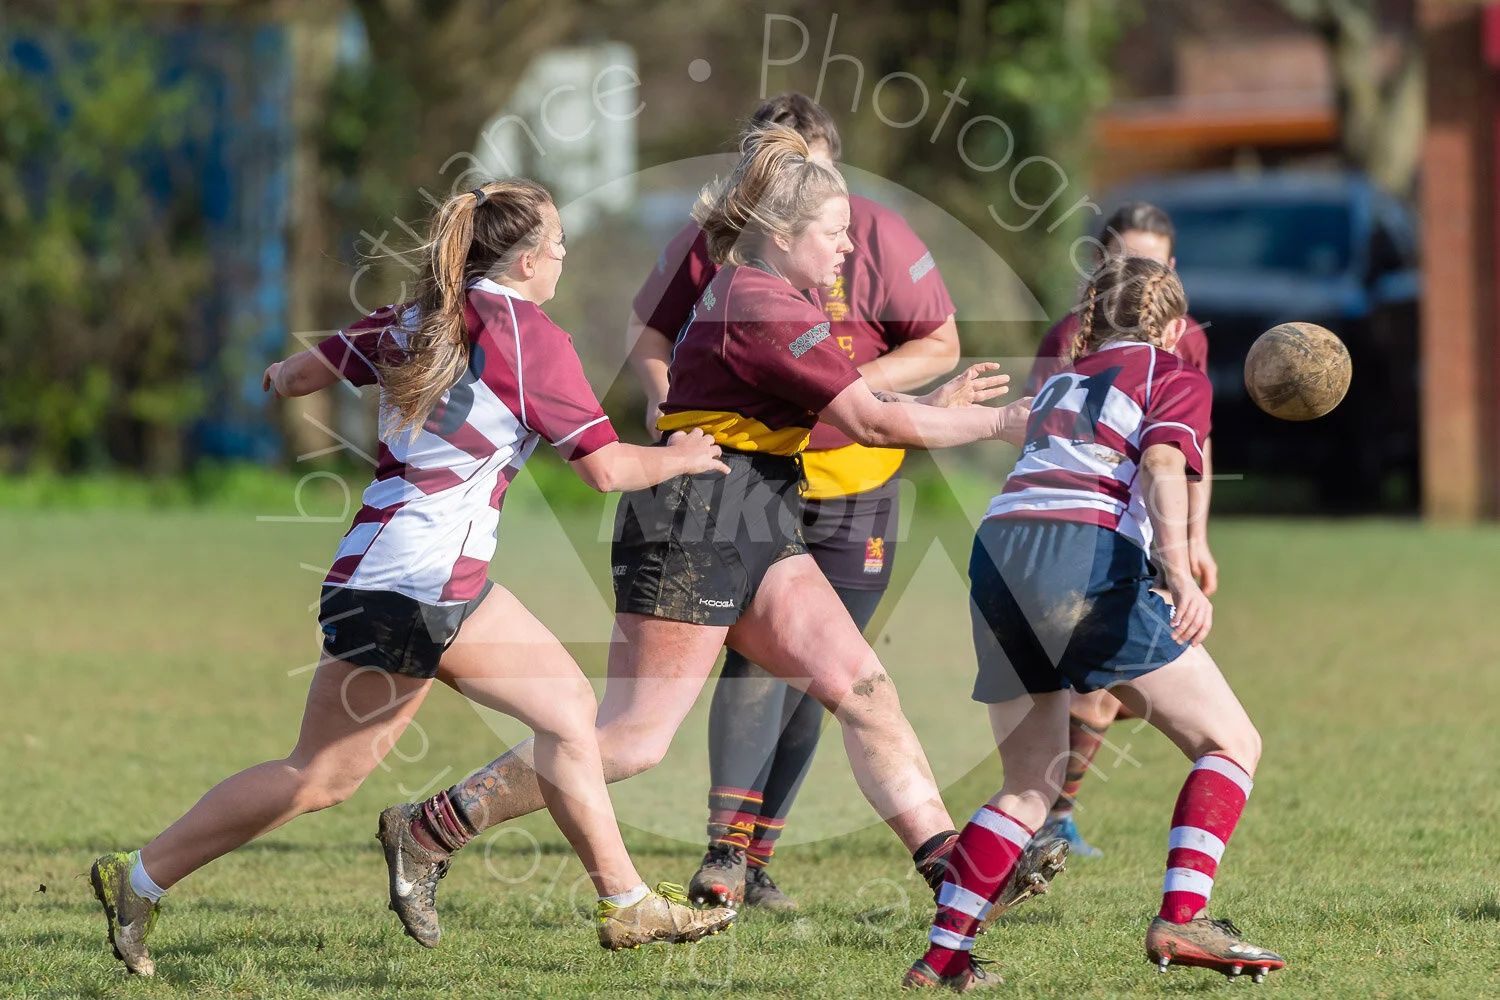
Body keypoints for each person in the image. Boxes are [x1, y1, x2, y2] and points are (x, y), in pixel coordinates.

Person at [374, 124, 1033, 961]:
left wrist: (945, 401)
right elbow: (868, 416)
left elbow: (856, 395)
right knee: (633, 740)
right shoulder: (754, 302)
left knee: (864, 691)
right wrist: (1002, 421)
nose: (846, 248)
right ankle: (432, 825)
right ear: (785, 235)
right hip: (692, 519)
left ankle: (955, 874)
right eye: (834, 234)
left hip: (758, 511)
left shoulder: (778, 300)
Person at [88, 179, 737, 977]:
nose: (565, 254)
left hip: (400, 576)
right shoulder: (531, 339)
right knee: (320, 777)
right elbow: (604, 469)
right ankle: (140, 875)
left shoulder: (412, 318)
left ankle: (625, 902)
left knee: (565, 712)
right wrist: (682, 456)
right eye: (560, 241)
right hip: (420, 586)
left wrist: (282, 374)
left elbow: (297, 378)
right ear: (528, 259)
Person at [902, 255, 1282, 990]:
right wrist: (1177, 575)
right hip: (1080, 554)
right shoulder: (1173, 374)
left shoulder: (1059, 385)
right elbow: (1163, 466)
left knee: (1026, 784)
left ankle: (942, 958)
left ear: (1088, 323)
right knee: (1231, 742)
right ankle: (1182, 915)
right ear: (1174, 326)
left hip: (998, 554)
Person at [627, 93, 961, 910]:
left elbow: (940, 343)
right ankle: (727, 853)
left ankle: (916, 867)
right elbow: (651, 339)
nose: (786, 180)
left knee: (835, 677)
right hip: (733, 489)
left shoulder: (872, 234)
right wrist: (670, 411)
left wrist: (845, 389)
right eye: (768, 165)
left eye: (804, 164)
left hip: (850, 486)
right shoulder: (726, 251)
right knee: (739, 678)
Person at [1024, 202, 1218, 860]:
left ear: (1172, 271)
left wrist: (1194, 540)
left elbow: (1192, 449)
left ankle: (1039, 819)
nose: (1139, 275)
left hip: (1122, 537)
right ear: (1100, 268)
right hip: (1093, 539)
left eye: (1155, 264)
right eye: (1122, 261)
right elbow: (1050, 438)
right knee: (1159, 705)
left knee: (1121, 694)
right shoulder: (1069, 341)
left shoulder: (1186, 342)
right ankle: (1055, 814)